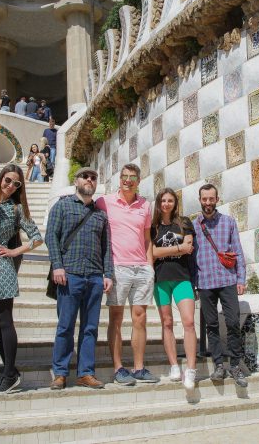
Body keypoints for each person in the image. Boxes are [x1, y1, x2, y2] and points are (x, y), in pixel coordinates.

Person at [0, 165, 44, 393]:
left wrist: (15, 252)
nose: (10, 186)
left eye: (16, 184)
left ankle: (8, 373)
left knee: (4, 321)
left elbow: (37, 238)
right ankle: (11, 371)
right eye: (7, 180)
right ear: (0, 178)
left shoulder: (16, 210)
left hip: (2, 270)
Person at [47, 167, 113, 390]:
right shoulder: (62, 206)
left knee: (90, 327)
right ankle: (60, 373)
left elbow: (107, 247)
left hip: (94, 277)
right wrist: (57, 266)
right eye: (85, 177)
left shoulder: (101, 215)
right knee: (65, 326)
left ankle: (85, 372)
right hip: (69, 275)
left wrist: (108, 274)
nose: (89, 180)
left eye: (93, 178)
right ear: (76, 181)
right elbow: (51, 237)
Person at [96, 163, 157, 386]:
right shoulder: (105, 202)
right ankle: (118, 368)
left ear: (139, 181)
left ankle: (139, 368)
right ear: (119, 179)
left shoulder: (145, 205)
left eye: (132, 177)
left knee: (140, 318)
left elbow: (148, 238)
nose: (128, 180)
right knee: (116, 318)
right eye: (124, 176)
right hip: (117, 267)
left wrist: (149, 267)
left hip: (141, 268)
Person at [193, 183, 248, 387]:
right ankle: (218, 364)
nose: (208, 202)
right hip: (205, 282)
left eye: (211, 199)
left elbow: (238, 251)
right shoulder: (194, 225)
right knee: (212, 325)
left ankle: (234, 365)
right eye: (204, 199)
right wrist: (192, 283)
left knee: (233, 322)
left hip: (227, 280)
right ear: (200, 200)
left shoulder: (229, 222)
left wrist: (241, 279)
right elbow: (190, 257)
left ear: (217, 199)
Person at [151, 188, 198, 389]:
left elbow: (190, 246)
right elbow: (151, 253)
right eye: (163, 200)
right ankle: (173, 365)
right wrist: (178, 248)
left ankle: (191, 369)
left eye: (170, 200)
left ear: (175, 203)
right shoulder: (152, 227)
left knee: (188, 322)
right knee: (167, 323)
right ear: (158, 203)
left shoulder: (184, 222)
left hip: (182, 278)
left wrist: (163, 251)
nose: (166, 204)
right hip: (160, 279)